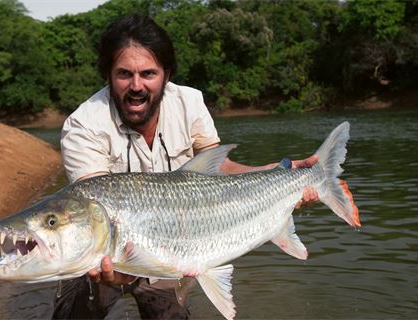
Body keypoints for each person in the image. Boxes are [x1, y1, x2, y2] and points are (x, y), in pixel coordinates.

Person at [54, 14, 318, 319]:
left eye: (148, 74)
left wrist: (281, 172)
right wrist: (119, 264)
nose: (136, 86)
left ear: (167, 75)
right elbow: (95, 209)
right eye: (124, 74)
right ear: (109, 76)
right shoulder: (83, 125)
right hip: (103, 256)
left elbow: (222, 169)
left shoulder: (190, 103)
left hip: (175, 248)